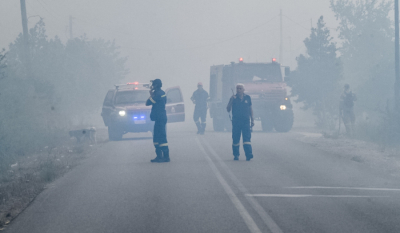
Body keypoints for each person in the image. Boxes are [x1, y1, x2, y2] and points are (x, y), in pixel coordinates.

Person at [226, 83, 254, 161]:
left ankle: (248, 154)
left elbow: (250, 109)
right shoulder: (233, 98)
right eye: (237, 88)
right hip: (236, 122)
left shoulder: (248, 98)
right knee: (235, 139)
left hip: (246, 122)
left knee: (247, 139)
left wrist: (252, 120)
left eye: (240, 88)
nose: (238, 90)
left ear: (243, 90)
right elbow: (228, 109)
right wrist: (231, 100)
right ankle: (236, 155)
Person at [146, 79, 170, 163]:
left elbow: (148, 102)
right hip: (159, 118)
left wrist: (151, 94)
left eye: (153, 84)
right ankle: (159, 156)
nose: (152, 86)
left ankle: (165, 157)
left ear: (156, 85)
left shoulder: (157, 94)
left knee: (161, 137)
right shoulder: (162, 93)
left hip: (160, 118)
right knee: (156, 137)